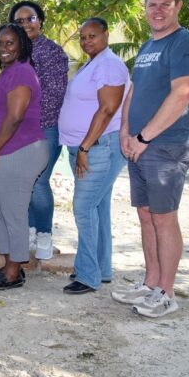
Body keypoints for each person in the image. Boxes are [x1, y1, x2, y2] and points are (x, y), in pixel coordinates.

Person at [112, 0, 189, 317]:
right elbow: (133, 93)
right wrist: (125, 132)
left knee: (164, 220)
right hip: (139, 144)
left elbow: (182, 94)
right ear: (145, 6)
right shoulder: (147, 46)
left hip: (166, 144)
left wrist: (144, 137)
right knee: (145, 216)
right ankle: (151, 284)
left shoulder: (185, 43)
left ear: (178, 6)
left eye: (165, 4)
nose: (158, 10)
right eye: (152, 4)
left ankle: (166, 293)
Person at [58, 18, 129, 295]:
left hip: (98, 148)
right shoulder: (94, 63)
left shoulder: (109, 64)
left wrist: (85, 147)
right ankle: (102, 268)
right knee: (98, 208)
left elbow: (108, 109)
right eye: (83, 37)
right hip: (89, 147)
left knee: (83, 208)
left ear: (106, 35)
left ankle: (88, 276)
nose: (87, 41)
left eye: (93, 36)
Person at [0, 24, 49, 291]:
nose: (4, 48)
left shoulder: (21, 72)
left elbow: (15, 116)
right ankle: (10, 260)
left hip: (20, 150)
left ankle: (14, 271)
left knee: (13, 213)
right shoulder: (7, 72)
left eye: (10, 43)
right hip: (2, 150)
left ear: (21, 44)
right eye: (0, 43)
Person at [8, 1, 69, 260]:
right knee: (25, 183)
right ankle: (30, 231)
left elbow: (54, 95)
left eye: (29, 19)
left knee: (39, 183)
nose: (25, 24)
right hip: (18, 130)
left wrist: (22, 113)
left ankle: (44, 234)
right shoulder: (14, 54)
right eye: (19, 21)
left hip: (45, 128)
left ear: (40, 21)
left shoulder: (53, 52)